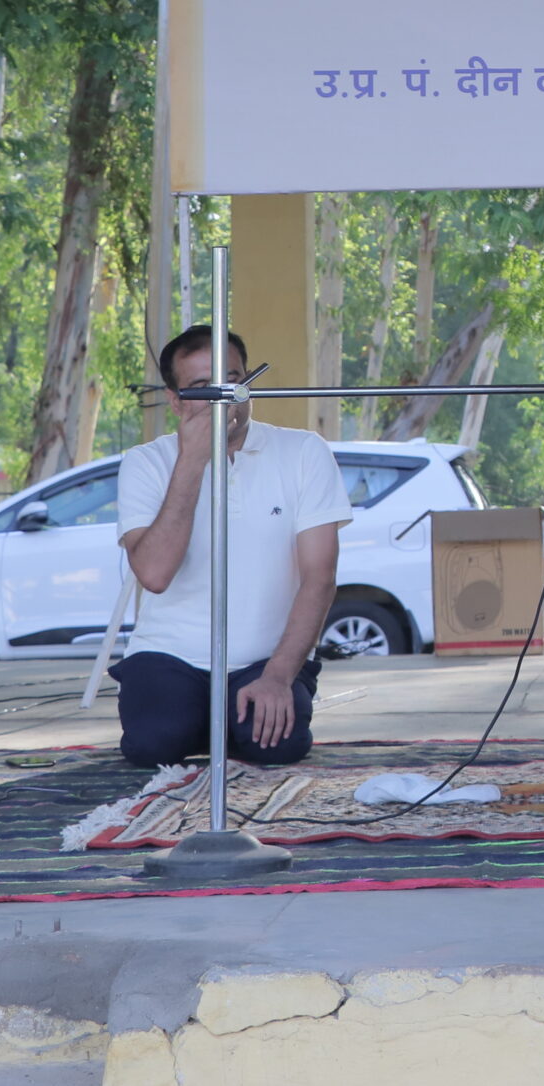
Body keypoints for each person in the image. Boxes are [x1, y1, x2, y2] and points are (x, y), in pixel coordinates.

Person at [111, 324, 353, 768]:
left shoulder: (303, 452)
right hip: (170, 655)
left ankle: (232, 718)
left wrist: (280, 676)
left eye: (233, 380)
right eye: (203, 389)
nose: (222, 398)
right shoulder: (145, 462)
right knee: (153, 745)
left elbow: (320, 577)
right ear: (174, 399)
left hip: (266, 659)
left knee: (278, 746)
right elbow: (155, 575)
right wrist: (192, 459)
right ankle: (204, 718)